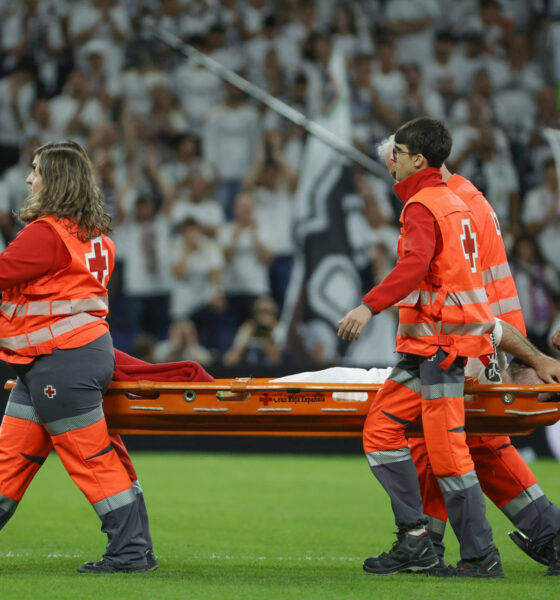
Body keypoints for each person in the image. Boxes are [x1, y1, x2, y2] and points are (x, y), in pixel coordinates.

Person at [377, 133, 560, 576]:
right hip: (486, 332)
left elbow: (465, 290)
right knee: (469, 443)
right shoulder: (465, 198)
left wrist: (523, 356)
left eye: (395, 161)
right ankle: (542, 533)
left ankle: (441, 545)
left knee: (453, 442)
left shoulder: (445, 204)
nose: (393, 172)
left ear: (421, 161)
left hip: (471, 336)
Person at [338, 117, 501, 577]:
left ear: (418, 160)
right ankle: (415, 539)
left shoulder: (423, 205)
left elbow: (414, 267)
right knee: (382, 431)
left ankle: (480, 557)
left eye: (400, 151)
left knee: (447, 454)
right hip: (434, 346)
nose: (393, 157)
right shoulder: (452, 200)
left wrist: (367, 307)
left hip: (440, 345)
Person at [0, 141, 151, 573]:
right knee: (9, 461)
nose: (29, 179)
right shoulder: (94, 236)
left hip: (61, 361)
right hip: (57, 359)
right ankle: (135, 549)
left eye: (36, 170)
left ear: (57, 180)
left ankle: (130, 553)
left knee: (91, 460)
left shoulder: (47, 234)